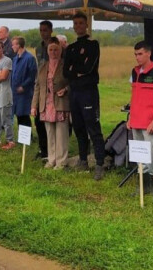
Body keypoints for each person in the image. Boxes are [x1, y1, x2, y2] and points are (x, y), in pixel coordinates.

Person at [63, 12, 106, 180]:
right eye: (75, 24)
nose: (78, 26)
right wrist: (77, 70)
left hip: (88, 92)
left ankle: (100, 163)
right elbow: (66, 71)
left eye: (81, 23)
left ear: (86, 25)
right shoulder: (71, 48)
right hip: (74, 92)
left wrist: (77, 69)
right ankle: (83, 160)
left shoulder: (93, 44)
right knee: (79, 127)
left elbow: (88, 68)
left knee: (93, 127)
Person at [127, 41, 153, 202]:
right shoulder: (134, 72)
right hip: (136, 120)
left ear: (148, 53)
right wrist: (130, 117)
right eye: (135, 54)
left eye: (140, 54)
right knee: (139, 154)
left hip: (150, 122)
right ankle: (143, 185)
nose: (137, 57)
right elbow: (133, 96)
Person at [31, 37, 70, 169]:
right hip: (46, 104)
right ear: (47, 51)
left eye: (56, 49)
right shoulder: (42, 66)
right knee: (50, 133)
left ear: (60, 50)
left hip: (60, 103)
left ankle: (61, 161)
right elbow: (37, 86)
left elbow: (73, 82)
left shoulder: (66, 65)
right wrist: (33, 106)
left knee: (61, 134)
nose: (53, 52)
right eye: (51, 50)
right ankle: (51, 159)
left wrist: (66, 89)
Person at [32, 20, 53, 159]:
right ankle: (42, 149)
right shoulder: (38, 48)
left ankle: (52, 150)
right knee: (38, 120)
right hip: (40, 85)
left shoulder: (55, 46)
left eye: (45, 30)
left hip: (51, 86)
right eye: (41, 30)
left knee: (51, 120)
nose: (43, 33)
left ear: (51, 30)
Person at [11, 36, 38, 130]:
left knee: (24, 115)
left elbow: (32, 75)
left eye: (13, 44)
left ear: (19, 45)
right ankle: (22, 137)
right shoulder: (15, 59)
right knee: (18, 115)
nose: (12, 47)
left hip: (25, 92)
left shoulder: (29, 58)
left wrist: (23, 86)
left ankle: (27, 138)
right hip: (15, 92)